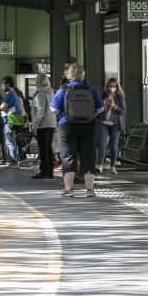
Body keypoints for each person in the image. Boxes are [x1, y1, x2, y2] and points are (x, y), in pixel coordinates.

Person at [50, 62, 103, 197]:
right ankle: (90, 190)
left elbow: (54, 109)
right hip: (88, 126)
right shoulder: (91, 90)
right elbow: (100, 108)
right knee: (88, 157)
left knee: (68, 156)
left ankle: (68, 189)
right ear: (82, 75)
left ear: (69, 75)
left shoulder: (63, 90)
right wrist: (91, 115)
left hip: (67, 127)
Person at [95, 78, 126, 174]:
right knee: (102, 144)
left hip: (115, 124)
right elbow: (97, 109)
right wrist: (103, 104)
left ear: (117, 87)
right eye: (110, 86)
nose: (112, 88)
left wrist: (114, 106)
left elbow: (123, 111)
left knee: (114, 146)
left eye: (114, 86)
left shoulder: (120, 97)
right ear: (107, 86)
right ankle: (100, 165)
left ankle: (112, 166)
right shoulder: (103, 95)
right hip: (103, 122)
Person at [30, 73, 57, 179]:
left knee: (43, 149)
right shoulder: (51, 92)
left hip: (43, 124)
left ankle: (43, 171)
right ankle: (50, 171)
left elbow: (40, 111)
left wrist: (34, 124)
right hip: (51, 123)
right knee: (49, 148)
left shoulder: (40, 94)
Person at [2, 77, 25, 167]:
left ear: (8, 84)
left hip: (9, 121)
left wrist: (2, 106)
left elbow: (2, 107)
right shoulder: (14, 94)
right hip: (12, 120)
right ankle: (15, 160)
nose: (2, 86)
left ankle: (14, 161)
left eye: (3, 84)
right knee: (12, 141)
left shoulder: (10, 95)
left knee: (10, 142)